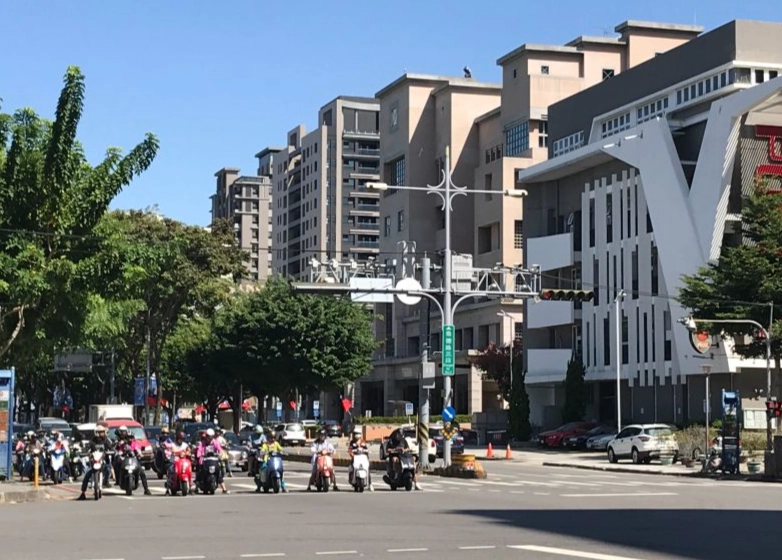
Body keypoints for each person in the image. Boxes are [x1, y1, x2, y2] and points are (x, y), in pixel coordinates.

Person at [77, 425, 115, 500]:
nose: (102, 434)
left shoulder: (106, 440)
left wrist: (111, 451)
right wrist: (85, 452)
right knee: (87, 475)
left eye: (103, 432)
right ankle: (83, 492)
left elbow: (110, 447)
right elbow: (87, 448)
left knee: (108, 468)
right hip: (94, 462)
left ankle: (105, 481)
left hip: (103, 461)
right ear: (96, 433)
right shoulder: (92, 441)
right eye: (101, 432)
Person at [115, 429, 152, 496]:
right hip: (125, 461)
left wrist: (140, 454)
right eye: (128, 437)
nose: (130, 439)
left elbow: (138, 450)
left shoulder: (135, 444)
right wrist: (119, 455)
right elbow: (119, 451)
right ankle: (118, 480)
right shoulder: (123, 445)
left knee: (142, 473)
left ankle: (146, 489)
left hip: (134, 461)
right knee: (117, 466)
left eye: (131, 437)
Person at [196, 428, 229, 493]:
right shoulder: (202, 443)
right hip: (204, 460)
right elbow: (199, 451)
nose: (209, 439)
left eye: (211, 437)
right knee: (200, 472)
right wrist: (199, 454)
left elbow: (220, 449)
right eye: (208, 437)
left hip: (214, 460)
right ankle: (196, 487)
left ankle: (224, 488)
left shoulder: (215, 442)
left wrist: (221, 454)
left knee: (218, 472)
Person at [347, 426, 374, 491]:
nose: (355, 435)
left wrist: (367, 454)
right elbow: (350, 450)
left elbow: (366, 450)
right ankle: (352, 479)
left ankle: (370, 484)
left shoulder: (363, 442)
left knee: (367, 468)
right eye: (354, 433)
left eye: (356, 433)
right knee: (352, 467)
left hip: (362, 458)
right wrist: (352, 454)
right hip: (355, 458)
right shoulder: (352, 442)